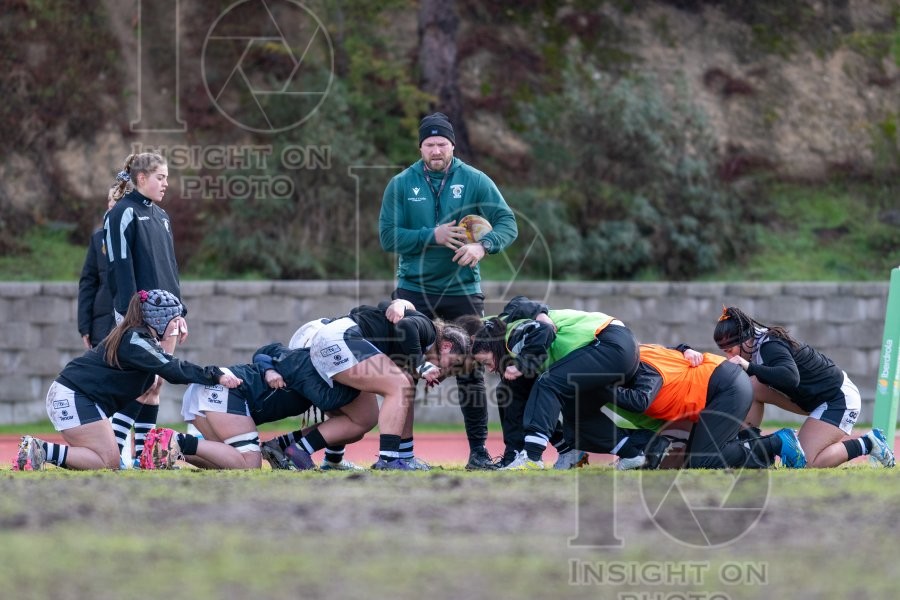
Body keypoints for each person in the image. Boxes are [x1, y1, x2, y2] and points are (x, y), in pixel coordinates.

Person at [379, 112, 518, 470]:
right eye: (429, 144)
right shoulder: (401, 184)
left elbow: (508, 223)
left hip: (463, 289)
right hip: (413, 290)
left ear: (453, 146)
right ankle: (400, 455)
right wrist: (433, 235)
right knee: (405, 370)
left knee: (471, 369)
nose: (436, 150)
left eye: (442, 143)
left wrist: (483, 246)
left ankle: (479, 453)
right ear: (420, 148)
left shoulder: (474, 180)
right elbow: (388, 237)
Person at [11, 290, 241, 471]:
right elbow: (172, 368)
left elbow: (157, 378)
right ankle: (39, 450)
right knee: (107, 462)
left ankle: (144, 457)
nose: (178, 327)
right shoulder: (136, 340)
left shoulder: (139, 337)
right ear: (159, 320)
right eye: (175, 321)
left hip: (77, 397)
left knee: (150, 386)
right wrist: (216, 375)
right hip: (73, 397)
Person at [469, 296, 642, 470]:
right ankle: (632, 453)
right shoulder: (501, 332)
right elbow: (517, 304)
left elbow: (541, 326)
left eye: (486, 362)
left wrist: (523, 364)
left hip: (610, 342)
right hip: (617, 348)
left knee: (547, 383)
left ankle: (532, 457)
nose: (490, 369)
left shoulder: (512, 335)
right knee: (576, 417)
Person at [713, 306, 895, 468]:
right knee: (749, 386)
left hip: (837, 399)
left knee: (806, 461)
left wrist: (748, 366)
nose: (730, 357)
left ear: (745, 340)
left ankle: (869, 443)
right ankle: (754, 451)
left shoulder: (770, 345)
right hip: (810, 397)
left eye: (730, 350)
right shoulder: (753, 344)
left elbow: (790, 378)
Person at [306, 298, 471, 470]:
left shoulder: (414, 345)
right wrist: (420, 364)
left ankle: (297, 448)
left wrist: (400, 305)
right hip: (338, 339)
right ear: (446, 346)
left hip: (332, 341)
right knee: (400, 386)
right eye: (453, 363)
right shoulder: (429, 331)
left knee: (368, 416)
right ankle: (388, 459)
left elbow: (386, 309)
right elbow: (406, 325)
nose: (447, 370)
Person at [172, 342, 377, 470]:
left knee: (226, 462)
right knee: (249, 465)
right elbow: (331, 403)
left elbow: (267, 352)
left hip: (212, 389)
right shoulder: (309, 369)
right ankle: (175, 440)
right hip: (226, 389)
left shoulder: (298, 363)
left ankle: (169, 450)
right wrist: (370, 385)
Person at [600, 344, 806, 469]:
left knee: (703, 459)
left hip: (724, 386)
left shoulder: (642, 367)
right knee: (695, 453)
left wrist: (601, 387)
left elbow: (639, 400)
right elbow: (672, 349)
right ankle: (765, 448)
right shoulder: (636, 353)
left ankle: (776, 442)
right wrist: (685, 349)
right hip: (721, 384)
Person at [104, 152, 181, 465]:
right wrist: (129, 316)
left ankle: (144, 457)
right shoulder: (121, 213)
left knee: (156, 384)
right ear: (141, 178)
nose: (166, 183)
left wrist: (179, 313)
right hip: (138, 317)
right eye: (160, 177)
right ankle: (112, 452)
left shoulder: (162, 216)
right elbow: (119, 267)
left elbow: (170, 268)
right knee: (142, 383)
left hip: (167, 318)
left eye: (166, 177)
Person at [77, 186, 119, 349]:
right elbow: (88, 282)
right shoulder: (98, 238)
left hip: (132, 326)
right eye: (109, 199)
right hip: (101, 327)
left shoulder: (142, 235)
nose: (111, 204)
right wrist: (84, 325)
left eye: (117, 199)